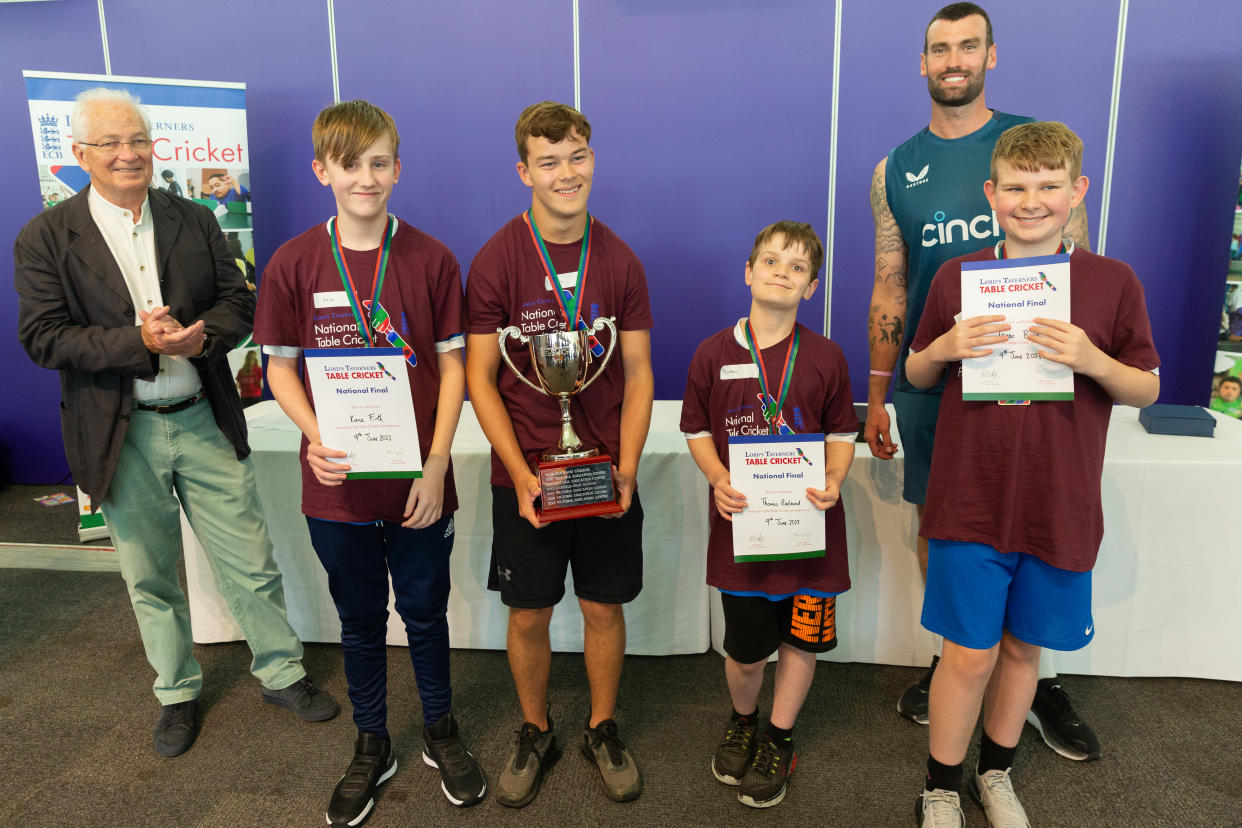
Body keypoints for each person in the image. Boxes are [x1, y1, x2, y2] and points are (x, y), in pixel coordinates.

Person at [13, 88, 338, 759]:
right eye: (110, 143)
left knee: (250, 561)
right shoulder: (45, 237)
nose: (128, 153)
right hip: (118, 430)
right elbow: (44, 338)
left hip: (202, 418)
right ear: (79, 155)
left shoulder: (192, 218)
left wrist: (202, 338)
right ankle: (177, 691)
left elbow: (239, 301)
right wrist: (141, 343)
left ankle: (281, 671)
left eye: (137, 139)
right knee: (150, 572)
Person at [905, 121, 1159, 826]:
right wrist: (947, 344)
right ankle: (939, 785)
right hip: (970, 498)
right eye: (1016, 187)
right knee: (967, 655)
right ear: (991, 194)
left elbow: (1145, 387)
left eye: (1049, 186)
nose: (1032, 200)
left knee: (1023, 649)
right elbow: (916, 370)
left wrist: (1093, 359)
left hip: (1059, 500)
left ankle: (995, 773)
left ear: (1077, 191)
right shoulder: (958, 277)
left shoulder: (1113, 282)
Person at [865, 1, 1099, 761]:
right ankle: (959, 657)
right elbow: (890, 286)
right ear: (923, 63)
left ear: (991, 56)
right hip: (938, 386)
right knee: (946, 532)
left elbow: (1081, 264)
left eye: (969, 45)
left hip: (1038, 387)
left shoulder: (1030, 146)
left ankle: (1032, 678)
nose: (953, 59)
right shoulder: (894, 169)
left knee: (1032, 532)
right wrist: (877, 392)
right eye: (940, 49)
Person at [254, 99, 486, 823]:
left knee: (424, 612)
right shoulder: (294, 262)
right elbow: (279, 368)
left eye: (380, 162)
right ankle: (373, 741)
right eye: (351, 164)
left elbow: (454, 370)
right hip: (337, 483)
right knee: (358, 618)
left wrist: (439, 459)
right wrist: (312, 434)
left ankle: (440, 730)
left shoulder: (432, 258)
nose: (367, 177)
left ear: (398, 167)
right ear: (323, 170)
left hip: (419, 479)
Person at [465, 101, 654, 807]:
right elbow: (482, 382)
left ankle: (603, 727)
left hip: (605, 471)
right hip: (528, 479)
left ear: (592, 160)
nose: (565, 173)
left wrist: (628, 466)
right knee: (529, 613)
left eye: (576, 156)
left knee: (604, 608)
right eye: (549, 161)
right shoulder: (496, 259)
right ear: (524, 172)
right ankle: (535, 727)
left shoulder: (620, 258)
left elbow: (638, 375)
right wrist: (519, 476)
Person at [681, 221, 857, 809]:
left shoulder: (827, 355)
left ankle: (780, 735)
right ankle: (743, 719)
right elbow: (698, 430)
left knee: (801, 644)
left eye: (798, 266)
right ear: (749, 272)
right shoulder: (712, 352)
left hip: (810, 535)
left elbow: (840, 434)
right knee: (746, 649)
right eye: (772, 260)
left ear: (811, 288)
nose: (783, 270)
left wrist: (834, 478)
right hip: (744, 533)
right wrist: (717, 477)